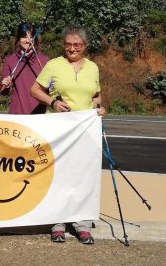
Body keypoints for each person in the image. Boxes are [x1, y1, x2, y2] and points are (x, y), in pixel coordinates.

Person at [30, 25, 106, 245]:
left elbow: (96, 96)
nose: (72, 48)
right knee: (60, 176)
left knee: (83, 176)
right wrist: (53, 102)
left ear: (85, 46)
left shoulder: (93, 68)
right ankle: (58, 223)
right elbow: (35, 90)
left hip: (85, 130)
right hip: (60, 129)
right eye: (68, 44)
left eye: (77, 45)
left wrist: (99, 109)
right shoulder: (53, 64)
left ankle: (81, 224)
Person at [0, 23, 49, 114]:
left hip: (39, 114)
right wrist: (5, 85)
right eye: (24, 37)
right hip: (17, 114)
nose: (28, 40)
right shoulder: (10, 60)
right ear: (18, 39)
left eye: (31, 37)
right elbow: (3, 92)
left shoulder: (44, 60)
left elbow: (50, 90)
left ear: (35, 39)